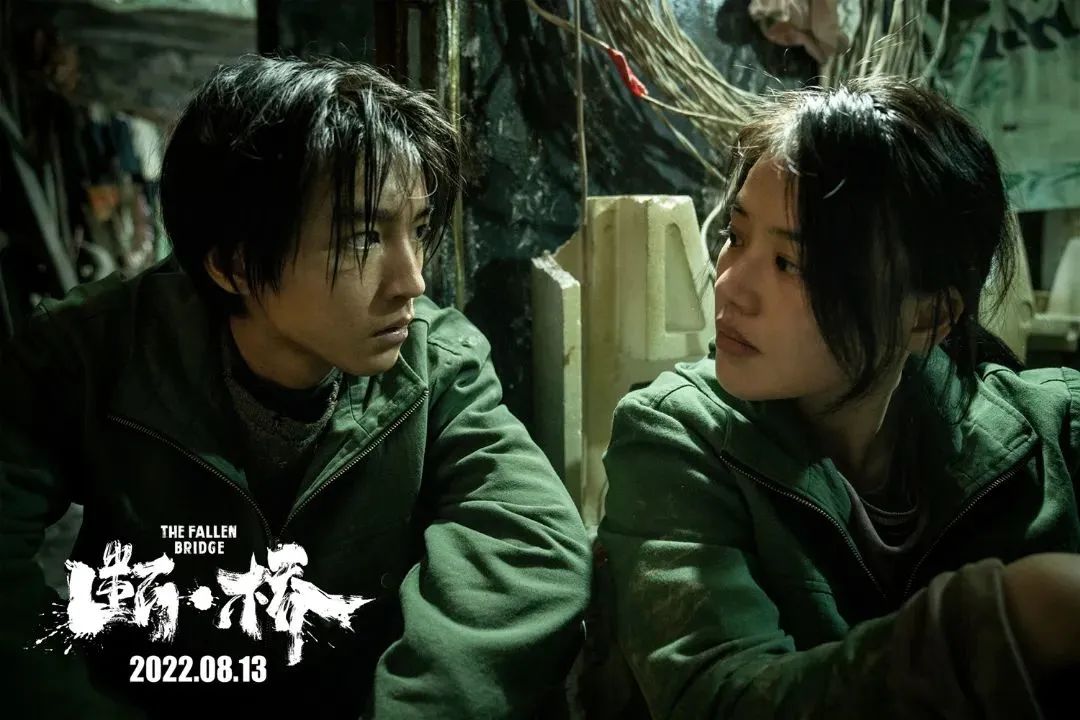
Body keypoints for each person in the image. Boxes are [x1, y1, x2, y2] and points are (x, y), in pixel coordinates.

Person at [0, 55, 591, 719]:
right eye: (364, 238)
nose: (412, 281)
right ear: (233, 263)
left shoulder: (437, 363)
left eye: (419, 230)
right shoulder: (91, 350)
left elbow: (530, 548)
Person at [597, 77, 1080, 719]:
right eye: (737, 236)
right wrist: (1005, 621)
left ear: (928, 317)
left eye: (791, 265)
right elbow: (720, 698)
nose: (731, 286)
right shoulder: (679, 437)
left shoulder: (1054, 434)